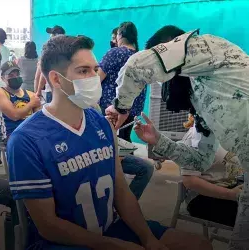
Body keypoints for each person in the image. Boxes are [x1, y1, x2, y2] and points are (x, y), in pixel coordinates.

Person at [7, 35, 212, 250]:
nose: (94, 77)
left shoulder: (101, 124)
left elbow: (122, 191)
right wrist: (113, 245)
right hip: (60, 242)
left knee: (199, 245)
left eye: (95, 69)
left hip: (110, 227)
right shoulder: (26, 140)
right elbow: (48, 226)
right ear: (57, 80)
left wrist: (149, 239)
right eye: (83, 71)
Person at [105, 25, 249, 249]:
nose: (165, 83)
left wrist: (120, 107)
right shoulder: (203, 97)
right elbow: (201, 160)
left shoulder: (206, 46)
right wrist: (159, 141)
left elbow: (136, 66)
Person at [180, 120, 243, 227]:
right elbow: (190, 181)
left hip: (233, 187)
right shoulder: (196, 137)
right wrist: (231, 194)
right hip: (203, 198)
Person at [98, 22, 147, 142]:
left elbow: (96, 79)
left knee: (109, 140)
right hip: (133, 109)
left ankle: (116, 160)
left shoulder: (115, 53)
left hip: (113, 108)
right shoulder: (140, 56)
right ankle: (126, 160)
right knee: (124, 139)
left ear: (119, 35)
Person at [0, 61, 41, 139]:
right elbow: (14, 115)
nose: (15, 77)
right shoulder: (1, 93)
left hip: (29, 136)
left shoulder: (30, 94)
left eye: (17, 74)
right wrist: (31, 104)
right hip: (9, 137)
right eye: (11, 75)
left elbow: (38, 119)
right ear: (2, 78)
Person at [35, 25, 66, 103]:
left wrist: (38, 91)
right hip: (66, 91)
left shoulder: (49, 51)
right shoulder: (67, 51)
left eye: (51, 34)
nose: (50, 36)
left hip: (52, 91)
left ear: (55, 36)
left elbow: (43, 73)